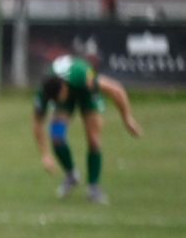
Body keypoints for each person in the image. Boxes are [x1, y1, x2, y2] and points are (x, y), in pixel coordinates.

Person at [32, 54, 142, 205]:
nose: (57, 103)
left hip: (85, 93)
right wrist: (45, 154)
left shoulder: (83, 76)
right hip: (66, 92)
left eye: (58, 99)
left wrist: (127, 119)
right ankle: (71, 176)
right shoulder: (45, 91)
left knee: (94, 140)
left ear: (64, 87)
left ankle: (93, 187)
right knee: (57, 136)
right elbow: (38, 123)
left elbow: (116, 90)